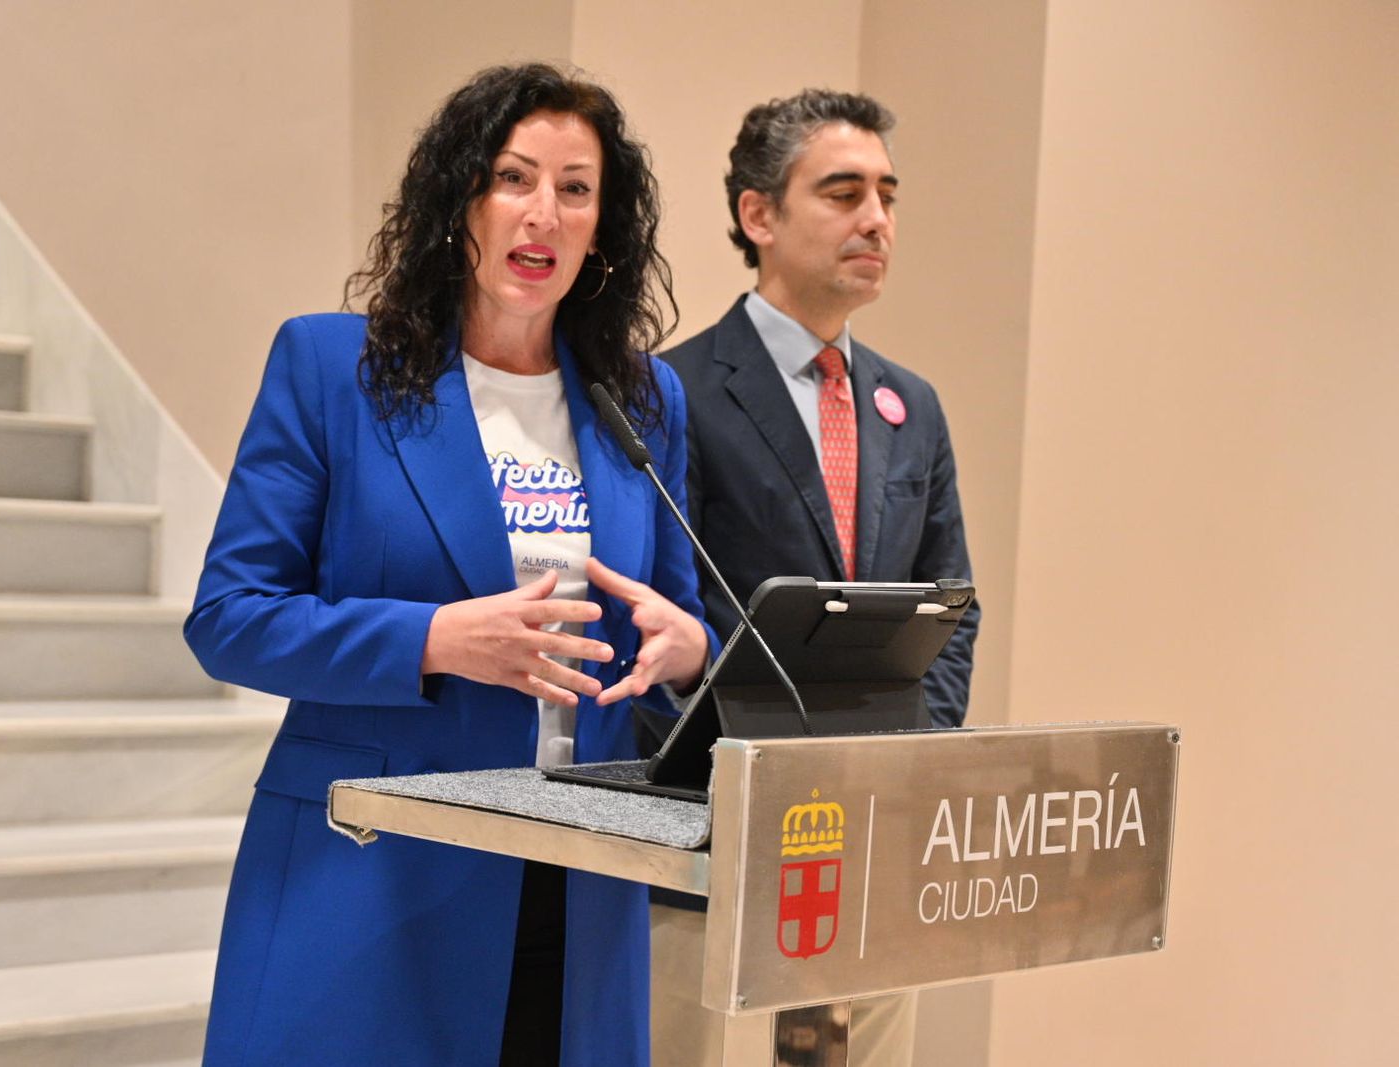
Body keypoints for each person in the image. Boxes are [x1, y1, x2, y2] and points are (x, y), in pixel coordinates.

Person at [184, 63, 711, 1067]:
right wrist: (432, 637)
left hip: (579, 878)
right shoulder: (332, 368)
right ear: (459, 199)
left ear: (604, 224)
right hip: (373, 875)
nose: (541, 213)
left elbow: (678, 617)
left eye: (574, 187)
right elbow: (231, 615)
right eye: (513, 178)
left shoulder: (641, 402)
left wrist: (687, 652)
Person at [656, 90, 980, 1065]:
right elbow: (666, 604)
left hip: (872, 834)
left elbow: (951, 606)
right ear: (759, 214)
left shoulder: (907, 404)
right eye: (842, 193)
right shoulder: (673, 389)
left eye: (885, 194)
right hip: (717, 833)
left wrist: (902, 760)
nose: (875, 220)